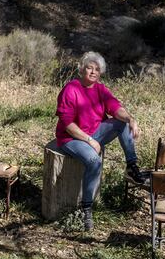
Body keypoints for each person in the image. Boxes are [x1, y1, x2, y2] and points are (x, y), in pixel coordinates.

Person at [55, 51, 146, 231]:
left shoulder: (100, 89)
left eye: (97, 69)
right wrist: (90, 140)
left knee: (123, 123)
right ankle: (86, 208)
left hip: (93, 133)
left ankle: (132, 165)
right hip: (71, 138)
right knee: (93, 161)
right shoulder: (71, 89)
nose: (93, 72)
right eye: (89, 68)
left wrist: (131, 119)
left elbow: (116, 108)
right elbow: (67, 124)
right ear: (82, 69)